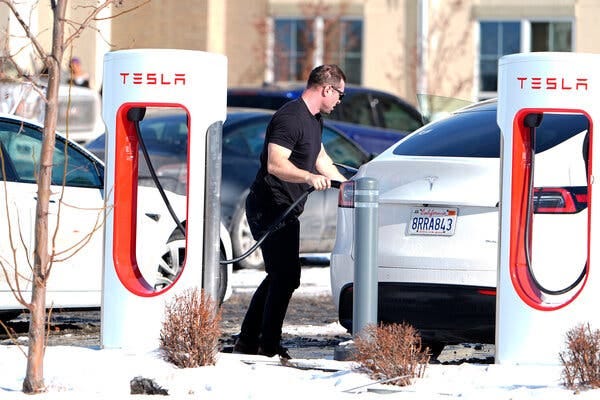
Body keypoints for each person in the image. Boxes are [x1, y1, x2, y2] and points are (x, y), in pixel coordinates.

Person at [233, 64, 348, 359]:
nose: (339, 101)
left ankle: (249, 341)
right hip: (269, 205)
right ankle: (267, 346)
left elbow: (320, 156)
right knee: (285, 276)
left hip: (285, 207)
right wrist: (309, 177)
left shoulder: (314, 120)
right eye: (340, 94)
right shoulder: (289, 117)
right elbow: (276, 163)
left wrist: (346, 184)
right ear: (326, 89)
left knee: (281, 275)